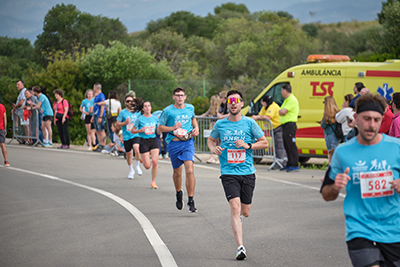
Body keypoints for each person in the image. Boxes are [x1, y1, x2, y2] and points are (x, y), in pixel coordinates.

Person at [320, 93, 400, 267]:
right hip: (360, 229)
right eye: (366, 119)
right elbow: (326, 194)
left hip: (394, 230)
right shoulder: (342, 152)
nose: (372, 125)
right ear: (355, 118)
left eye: (377, 120)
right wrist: (335, 187)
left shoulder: (396, 148)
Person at [207, 90, 268, 260]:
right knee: (235, 207)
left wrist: (248, 145)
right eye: (230, 101)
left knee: (245, 211)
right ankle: (240, 247)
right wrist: (214, 149)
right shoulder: (221, 124)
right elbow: (211, 140)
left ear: (242, 104)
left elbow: (264, 142)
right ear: (227, 104)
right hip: (228, 172)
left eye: (236, 101)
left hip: (247, 172)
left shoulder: (249, 123)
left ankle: (239, 218)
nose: (233, 103)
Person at [159, 87, 199, 212]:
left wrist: (196, 128)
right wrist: (173, 128)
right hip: (174, 144)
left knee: (190, 170)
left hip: (188, 143)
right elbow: (160, 128)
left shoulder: (190, 108)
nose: (180, 97)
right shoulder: (167, 111)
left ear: (185, 97)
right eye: (177, 95)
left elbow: (193, 119)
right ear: (173, 97)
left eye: (182, 95)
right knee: (177, 173)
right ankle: (178, 193)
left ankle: (191, 200)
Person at [252, 95, 287, 169]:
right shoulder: (265, 107)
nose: (262, 104)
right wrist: (257, 116)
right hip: (272, 129)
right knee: (275, 145)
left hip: (278, 127)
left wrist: (257, 117)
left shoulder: (273, 106)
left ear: (265, 102)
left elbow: (268, 117)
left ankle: (280, 163)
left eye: (262, 102)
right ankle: (278, 162)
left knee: (279, 146)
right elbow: (260, 114)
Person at [131, 99, 160, 189]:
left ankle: (153, 181)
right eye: (146, 106)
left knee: (155, 162)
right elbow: (132, 130)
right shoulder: (140, 119)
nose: (148, 108)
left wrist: (160, 129)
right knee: (147, 166)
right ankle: (140, 157)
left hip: (154, 140)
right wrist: (140, 130)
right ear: (143, 109)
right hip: (144, 141)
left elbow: (158, 131)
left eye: (149, 106)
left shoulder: (155, 118)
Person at [116, 94, 143, 179]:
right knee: (128, 154)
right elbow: (117, 123)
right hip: (127, 135)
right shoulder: (122, 112)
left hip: (136, 134)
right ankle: (131, 170)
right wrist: (125, 123)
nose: (130, 102)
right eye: (128, 101)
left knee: (137, 149)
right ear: (125, 103)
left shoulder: (137, 112)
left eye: (131, 101)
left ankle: (137, 165)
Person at [279, 84, 300, 172]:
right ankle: (289, 163)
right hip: (285, 125)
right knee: (286, 145)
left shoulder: (292, 99)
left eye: (281, 91)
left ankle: (295, 164)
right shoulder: (286, 100)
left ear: (284, 91)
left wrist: (281, 112)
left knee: (291, 145)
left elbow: (282, 111)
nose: (281, 92)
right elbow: (281, 111)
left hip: (290, 125)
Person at [201, 94, 221, 164]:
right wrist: (197, 116)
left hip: (217, 125)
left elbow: (220, 116)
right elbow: (205, 114)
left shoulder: (220, 108)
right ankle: (212, 156)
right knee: (211, 141)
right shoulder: (211, 108)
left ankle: (218, 158)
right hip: (212, 125)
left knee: (218, 142)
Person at [91, 82, 107, 152]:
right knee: (97, 131)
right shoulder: (96, 96)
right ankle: (100, 144)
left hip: (100, 115)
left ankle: (103, 145)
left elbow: (102, 107)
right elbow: (95, 107)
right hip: (96, 115)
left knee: (101, 130)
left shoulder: (101, 96)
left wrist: (100, 116)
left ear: (95, 88)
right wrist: (93, 116)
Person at [0, 100, 9, 167]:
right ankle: (6, 161)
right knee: (2, 144)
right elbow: (4, 118)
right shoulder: (2, 106)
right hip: (1, 128)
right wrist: (5, 128)